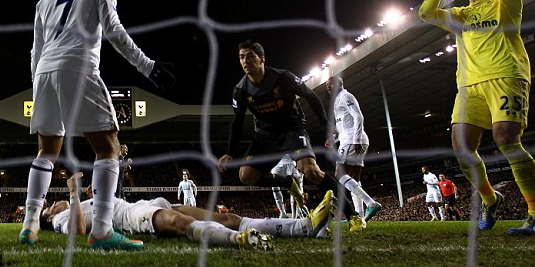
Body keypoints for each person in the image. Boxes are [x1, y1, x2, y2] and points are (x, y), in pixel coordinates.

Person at [19, 0, 176, 249]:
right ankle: (102, 231)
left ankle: (29, 226)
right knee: (108, 147)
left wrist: (39, 85)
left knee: (46, 152)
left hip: (43, 73)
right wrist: (148, 66)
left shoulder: (44, 0)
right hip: (78, 66)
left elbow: (34, 50)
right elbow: (114, 31)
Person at [419, 0, 535, 234]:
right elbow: (425, 13)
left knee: (506, 139)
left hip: (506, 76)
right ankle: (491, 199)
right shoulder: (460, 16)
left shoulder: (503, 3)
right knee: (461, 148)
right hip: (469, 86)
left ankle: (533, 211)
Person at [217, 40, 365, 233]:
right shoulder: (240, 90)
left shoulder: (282, 78)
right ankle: (286, 182)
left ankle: (353, 215)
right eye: (242, 57)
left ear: (262, 59)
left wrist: (325, 126)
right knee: (246, 176)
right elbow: (237, 122)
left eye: (250, 56)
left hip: (292, 130)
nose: (245, 61)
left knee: (311, 171)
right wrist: (229, 152)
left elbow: (311, 97)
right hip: (265, 136)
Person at [41, 173, 336, 249]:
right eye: (48, 207)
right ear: (49, 217)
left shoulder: (80, 205)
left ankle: (304, 227)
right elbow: (79, 231)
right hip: (129, 217)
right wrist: (72, 194)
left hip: (142, 203)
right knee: (179, 222)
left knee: (228, 217)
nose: (52, 203)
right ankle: (237, 240)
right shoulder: (62, 219)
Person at [324, 76, 381, 221]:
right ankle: (360, 216)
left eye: (331, 85)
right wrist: (334, 139)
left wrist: (355, 140)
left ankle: (371, 203)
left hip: (352, 139)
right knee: (354, 178)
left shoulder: (345, 96)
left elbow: (358, 117)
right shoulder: (338, 100)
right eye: (327, 86)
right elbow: (344, 126)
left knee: (339, 174)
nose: (328, 88)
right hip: (350, 138)